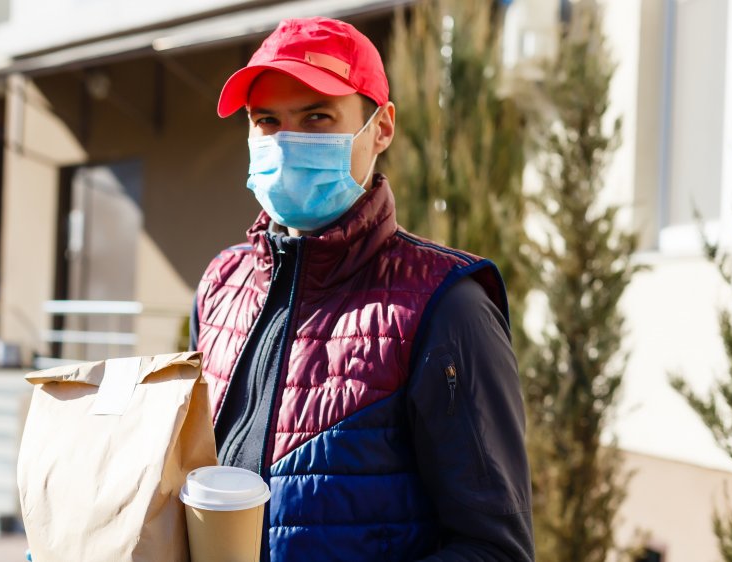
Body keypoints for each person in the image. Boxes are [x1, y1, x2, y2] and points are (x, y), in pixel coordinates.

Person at [190, 16, 534, 561]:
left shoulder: (446, 304)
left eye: (318, 117)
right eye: (267, 121)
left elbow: (493, 550)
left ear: (382, 128)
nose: (286, 143)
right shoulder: (221, 284)